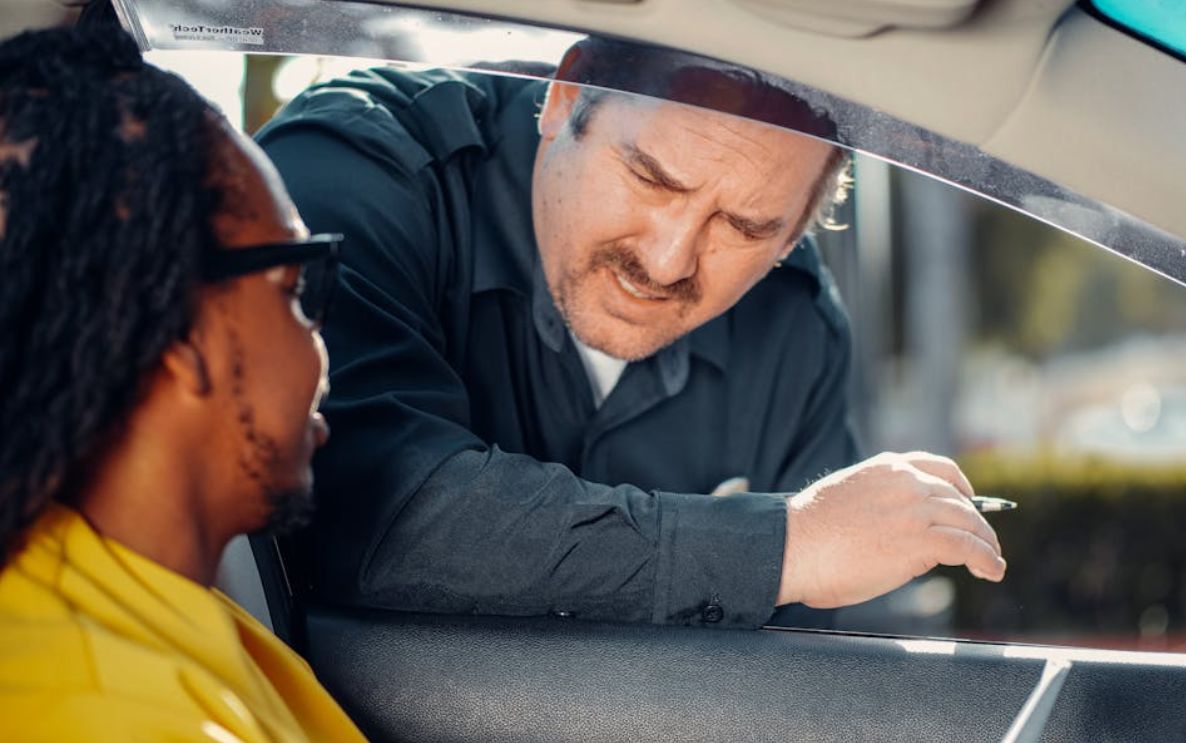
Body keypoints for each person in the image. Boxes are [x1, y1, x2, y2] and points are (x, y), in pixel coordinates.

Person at [258, 38, 1006, 629]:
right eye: (651, 177)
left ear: (795, 233)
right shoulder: (356, 171)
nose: (667, 257)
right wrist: (779, 543)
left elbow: (787, 680)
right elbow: (377, 515)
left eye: (744, 227)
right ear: (565, 96)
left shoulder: (796, 331)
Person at [0, 26, 366, 741]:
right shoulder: (115, 716)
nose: (318, 346)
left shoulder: (125, 590)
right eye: (293, 290)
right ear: (181, 332)